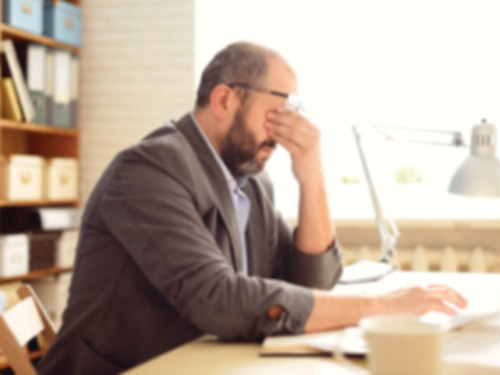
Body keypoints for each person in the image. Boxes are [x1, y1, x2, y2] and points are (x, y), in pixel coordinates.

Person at [37, 41, 467, 375]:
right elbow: (216, 298)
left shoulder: (251, 183)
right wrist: (380, 307)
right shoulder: (147, 169)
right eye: (278, 112)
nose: (284, 132)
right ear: (224, 101)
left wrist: (311, 178)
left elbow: (313, 280)